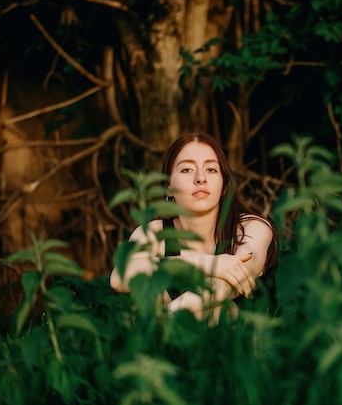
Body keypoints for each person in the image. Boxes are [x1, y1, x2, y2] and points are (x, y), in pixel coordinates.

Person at [110, 131, 279, 322]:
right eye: (187, 170)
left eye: (211, 169)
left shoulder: (252, 228)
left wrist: (169, 315)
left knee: (215, 307)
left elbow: (227, 285)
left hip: (241, 342)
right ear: (168, 186)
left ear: (224, 186)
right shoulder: (155, 233)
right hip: (173, 342)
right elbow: (119, 278)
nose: (200, 178)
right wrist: (209, 264)